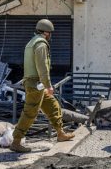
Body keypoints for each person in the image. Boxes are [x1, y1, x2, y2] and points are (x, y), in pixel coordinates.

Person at [10, 19, 74, 153]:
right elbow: (42, 66)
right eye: (50, 33)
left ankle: (60, 134)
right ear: (46, 32)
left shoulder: (31, 42)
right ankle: (16, 141)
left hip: (35, 84)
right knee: (30, 113)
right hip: (35, 84)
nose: (51, 35)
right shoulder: (41, 44)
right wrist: (48, 85)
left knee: (52, 105)